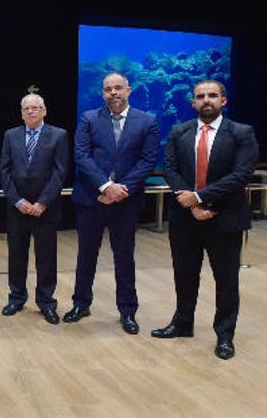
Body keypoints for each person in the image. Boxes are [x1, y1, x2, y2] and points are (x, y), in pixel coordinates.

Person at [152, 80, 258, 360]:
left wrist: (199, 198)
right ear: (193, 103)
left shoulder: (241, 133)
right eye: (200, 97)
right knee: (184, 275)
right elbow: (170, 170)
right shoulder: (179, 131)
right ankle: (182, 323)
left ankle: (224, 336)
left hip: (225, 217)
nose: (206, 100)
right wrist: (191, 205)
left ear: (224, 100)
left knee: (226, 280)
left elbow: (241, 175)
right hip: (185, 219)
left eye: (212, 95)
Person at [64, 72, 159, 334]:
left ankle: (128, 311)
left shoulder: (147, 121)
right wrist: (106, 186)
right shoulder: (89, 118)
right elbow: (82, 155)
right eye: (108, 89)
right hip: (91, 198)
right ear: (102, 93)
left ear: (128, 90)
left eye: (118, 88)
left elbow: (147, 160)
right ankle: (81, 304)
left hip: (126, 201)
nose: (113, 93)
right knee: (86, 255)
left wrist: (120, 189)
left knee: (124, 257)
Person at [0, 91, 69, 324]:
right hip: (17, 208)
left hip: (45, 209)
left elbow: (60, 173)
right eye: (26, 108)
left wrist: (42, 203)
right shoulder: (11, 135)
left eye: (35, 108)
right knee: (16, 256)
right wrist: (18, 201)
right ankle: (16, 298)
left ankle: (46, 302)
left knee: (46, 258)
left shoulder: (58, 135)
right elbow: (5, 172)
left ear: (44, 111)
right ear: (21, 113)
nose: (30, 111)